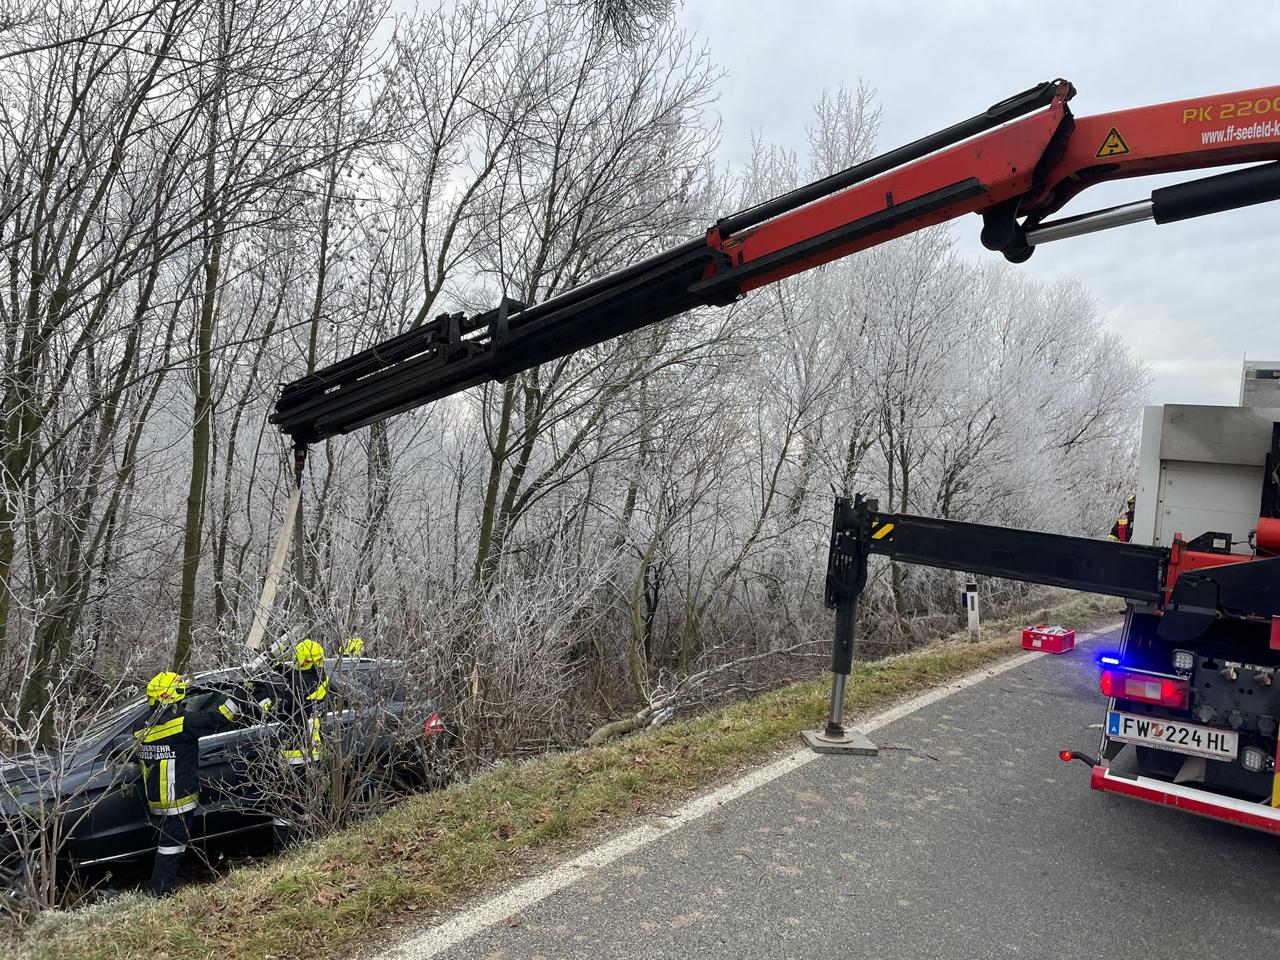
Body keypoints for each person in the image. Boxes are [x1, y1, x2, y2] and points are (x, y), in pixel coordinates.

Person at [132, 672, 240, 897]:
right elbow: (221, 717)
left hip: (156, 798)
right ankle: (161, 892)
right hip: (177, 799)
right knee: (171, 845)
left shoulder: (140, 728)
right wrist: (241, 695)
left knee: (171, 842)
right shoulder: (183, 724)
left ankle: (164, 885)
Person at [266, 638, 329, 851]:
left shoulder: (295, 688)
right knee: (307, 804)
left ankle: (284, 849)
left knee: (284, 805)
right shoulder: (321, 678)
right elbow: (294, 675)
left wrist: (263, 692)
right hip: (315, 751)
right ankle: (307, 842)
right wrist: (277, 665)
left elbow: (280, 707)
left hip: (294, 754)